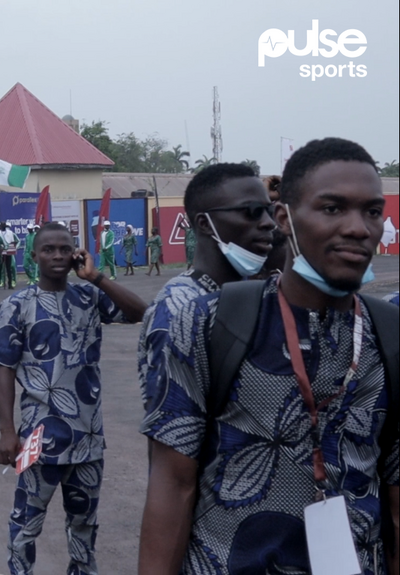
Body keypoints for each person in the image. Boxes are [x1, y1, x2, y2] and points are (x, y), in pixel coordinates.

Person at [138, 138, 398, 574]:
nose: (358, 228)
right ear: (285, 218)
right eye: (332, 208)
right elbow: (172, 484)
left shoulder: (388, 334)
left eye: (372, 211)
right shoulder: (206, 323)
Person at [0, 222, 146, 575]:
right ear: (34, 256)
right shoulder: (17, 305)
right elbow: (4, 368)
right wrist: (6, 431)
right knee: (25, 526)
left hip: (87, 439)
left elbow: (140, 313)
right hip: (39, 440)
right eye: (49, 249)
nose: (58, 255)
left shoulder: (89, 297)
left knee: (83, 529)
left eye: (65, 248)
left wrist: (97, 278)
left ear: (76, 252)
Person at [138, 163, 275, 463]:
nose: (268, 223)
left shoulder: (255, 294)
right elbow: (170, 440)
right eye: (251, 211)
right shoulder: (178, 310)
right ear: (204, 223)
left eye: (270, 211)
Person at [0, 221, 18, 289]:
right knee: (0, 268)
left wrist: (12, 250)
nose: (3, 226)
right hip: (1, 252)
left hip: (8, 252)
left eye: (4, 225)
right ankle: (0, 283)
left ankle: (10, 283)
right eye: (2, 225)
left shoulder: (10, 232)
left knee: (8, 268)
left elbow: (12, 241)